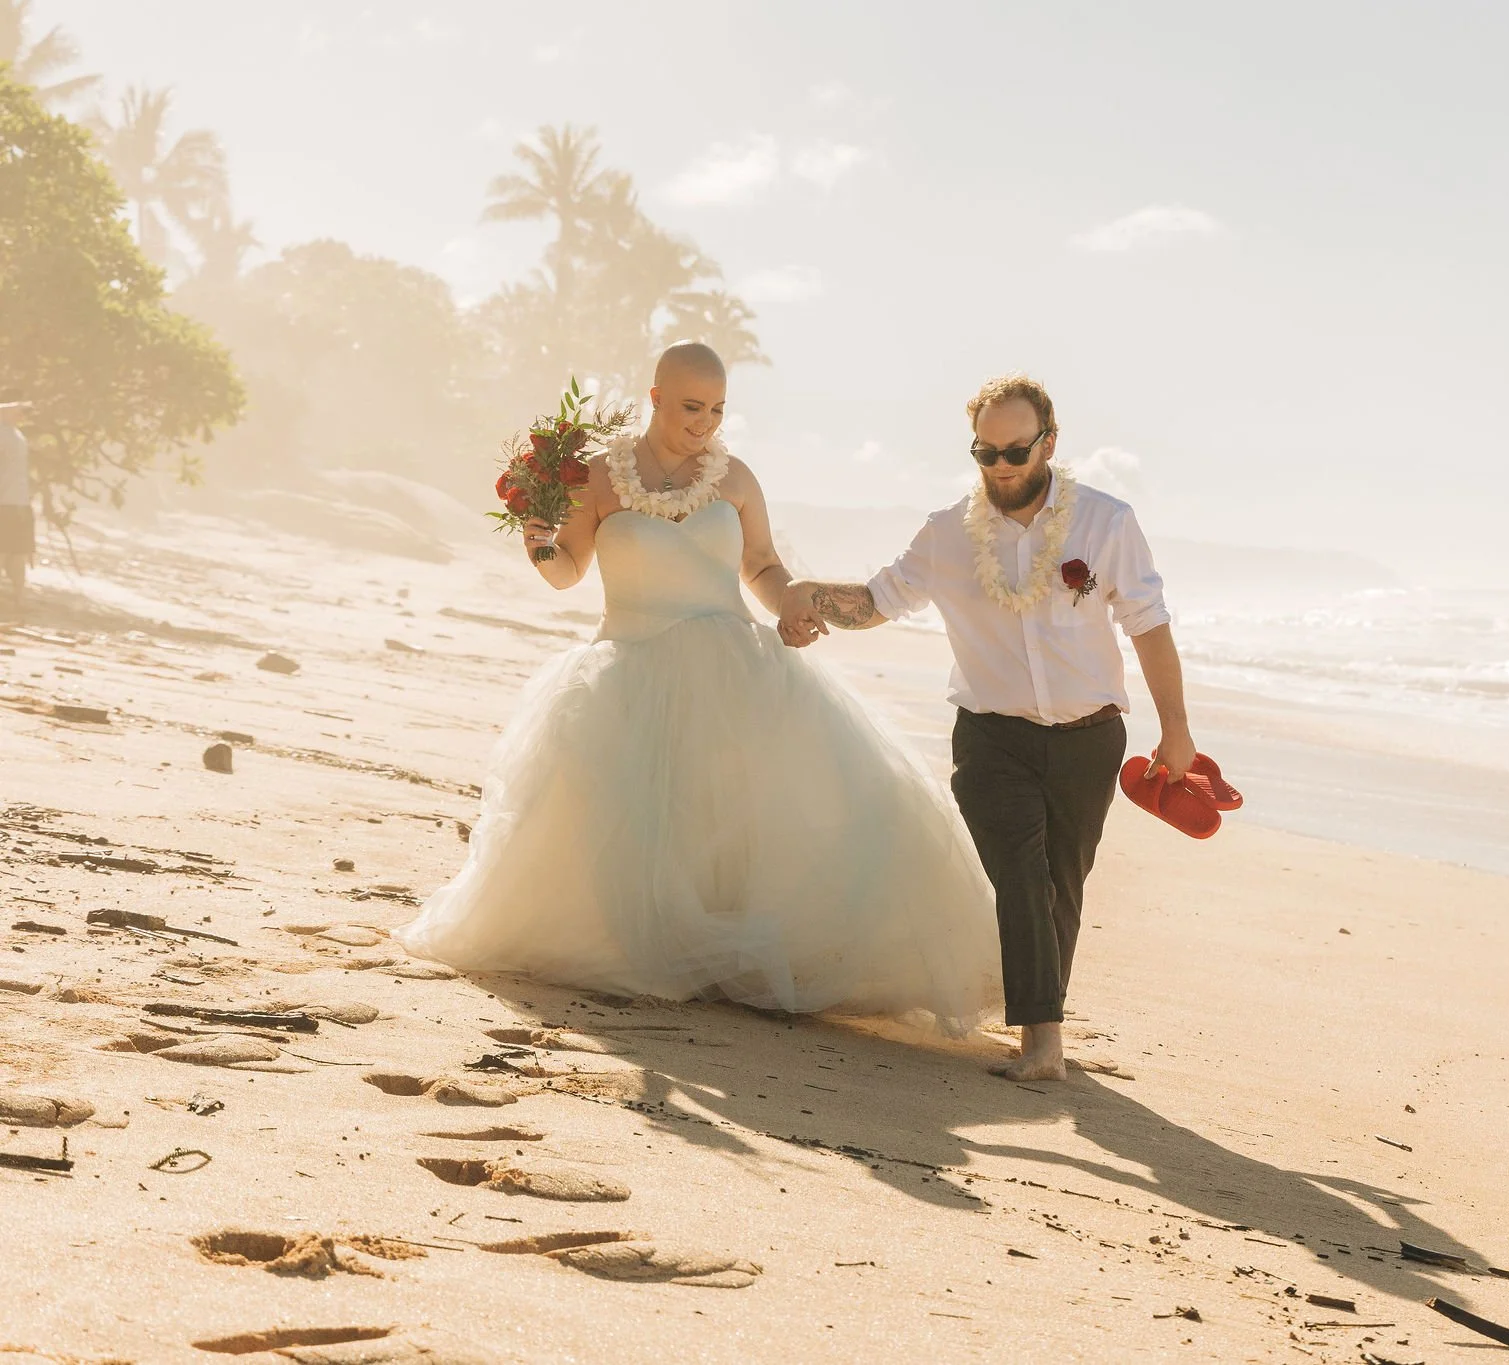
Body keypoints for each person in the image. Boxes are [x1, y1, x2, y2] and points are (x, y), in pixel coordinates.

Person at [398, 344, 1000, 1022]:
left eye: (717, 409)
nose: (705, 422)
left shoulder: (735, 478)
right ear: (653, 397)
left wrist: (793, 609)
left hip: (731, 668)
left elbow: (765, 568)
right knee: (637, 821)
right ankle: (653, 948)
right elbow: (567, 570)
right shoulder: (597, 477)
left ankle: (730, 956)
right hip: (627, 670)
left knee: (746, 817)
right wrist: (539, 543)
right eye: (691, 407)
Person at [782, 373, 1200, 1082]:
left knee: (1063, 883)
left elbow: (1149, 626)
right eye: (987, 454)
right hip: (990, 736)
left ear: (1050, 442)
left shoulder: (1106, 523)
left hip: (1090, 736)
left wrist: (1177, 730)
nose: (1002, 468)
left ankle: (1045, 1019)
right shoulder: (948, 534)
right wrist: (810, 596)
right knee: (1020, 873)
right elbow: (881, 600)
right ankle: (1044, 1042)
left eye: (1016, 451)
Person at [0, 403, 34, 604]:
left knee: (18, 550)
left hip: (17, 501)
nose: (21, 413)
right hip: (7, 501)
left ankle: (19, 597)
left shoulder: (17, 435)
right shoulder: (6, 434)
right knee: (8, 548)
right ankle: (18, 598)